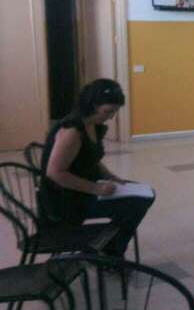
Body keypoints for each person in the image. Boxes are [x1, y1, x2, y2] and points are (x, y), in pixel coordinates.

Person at [39, 78, 154, 258]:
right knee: (136, 204)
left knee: (145, 195)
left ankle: (110, 246)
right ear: (92, 105)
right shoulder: (73, 131)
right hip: (65, 200)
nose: (111, 116)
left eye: (114, 111)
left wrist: (111, 177)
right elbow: (55, 173)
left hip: (82, 189)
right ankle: (111, 252)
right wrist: (96, 188)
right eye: (108, 111)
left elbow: (90, 159)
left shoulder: (93, 125)